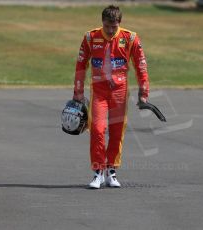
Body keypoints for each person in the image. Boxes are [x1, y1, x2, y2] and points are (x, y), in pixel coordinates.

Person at [73, 5, 150, 189]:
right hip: (99, 91)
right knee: (98, 130)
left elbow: (141, 66)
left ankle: (111, 171)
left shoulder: (130, 38)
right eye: (107, 26)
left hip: (120, 93)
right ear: (102, 22)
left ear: (119, 23)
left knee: (116, 133)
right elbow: (81, 65)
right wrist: (78, 92)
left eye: (113, 27)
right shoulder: (90, 37)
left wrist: (143, 92)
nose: (110, 30)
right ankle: (97, 172)